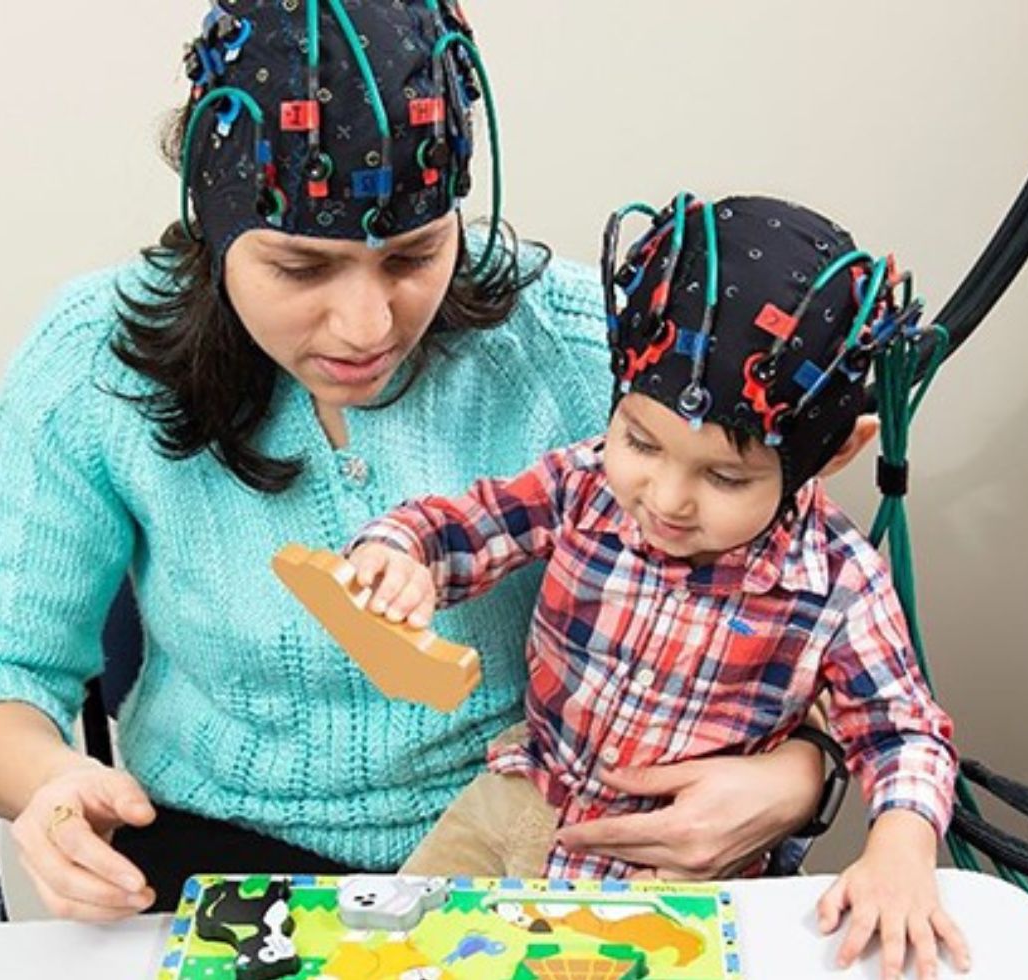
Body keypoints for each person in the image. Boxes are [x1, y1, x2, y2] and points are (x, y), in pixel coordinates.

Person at [0, 1, 828, 922]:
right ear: (213, 224)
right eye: (301, 269)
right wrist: (50, 784)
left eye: (414, 257)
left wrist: (795, 777)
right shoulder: (92, 364)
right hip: (212, 853)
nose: (367, 327)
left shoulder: (601, 357)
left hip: (541, 841)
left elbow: (820, 622)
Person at [346, 193, 971, 979]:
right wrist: (398, 552)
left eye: (725, 476)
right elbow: (465, 524)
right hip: (516, 800)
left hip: (679, 877)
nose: (667, 499)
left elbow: (902, 732)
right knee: (392, 959)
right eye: (640, 440)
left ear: (836, 453)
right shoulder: (585, 484)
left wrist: (903, 852)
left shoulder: (840, 584)